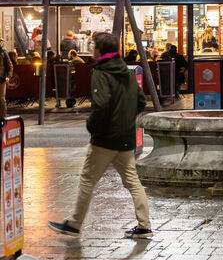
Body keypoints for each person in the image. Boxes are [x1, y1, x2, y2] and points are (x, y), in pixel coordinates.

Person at [48, 31, 152, 239]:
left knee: (87, 179)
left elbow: (101, 104)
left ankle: (75, 224)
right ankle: (144, 225)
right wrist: (125, 120)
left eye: (94, 46)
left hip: (105, 138)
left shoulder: (101, 72)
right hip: (126, 137)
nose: (92, 49)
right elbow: (141, 102)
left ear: (100, 50)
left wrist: (91, 125)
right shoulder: (127, 72)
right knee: (132, 180)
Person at [0, 38, 12, 120]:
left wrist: (8, 76)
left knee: (1, 99)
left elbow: (9, 66)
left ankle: (3, 117)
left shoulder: (3, 53)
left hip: (1, 78)